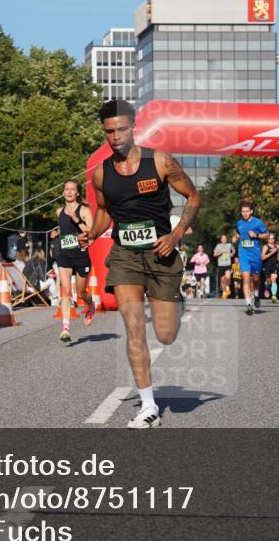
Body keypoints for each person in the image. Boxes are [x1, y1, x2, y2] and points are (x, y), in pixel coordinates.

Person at [80, 99, 201, 429]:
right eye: (109, 131)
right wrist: (91, 233)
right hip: (125, 255)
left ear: (133, 128)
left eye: (121, 129)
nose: (115, 136)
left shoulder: (160, 162)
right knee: (132, 322)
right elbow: (104, 212)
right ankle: (148, 405)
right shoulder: (101, 172)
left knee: (165, 335)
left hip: (161, 253)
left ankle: (176, 304)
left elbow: (193, 197)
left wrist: (175, 236)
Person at [51, 179, 95, 342]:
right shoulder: (58, 211)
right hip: (64, 255)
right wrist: (57, 233)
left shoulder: (84, 210)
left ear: (78, 193)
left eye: (72, 189)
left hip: (81, 255)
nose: (69, 192)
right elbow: (65, 230)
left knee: (81, 292)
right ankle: (65, 328)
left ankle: (90, 306)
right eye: (66, 189)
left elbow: (91, 232)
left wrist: (75, 218)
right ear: (63, 192)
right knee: (67, 292)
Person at [233, 201, 269, 315]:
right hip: (243, 255)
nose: (245, 213)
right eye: (243, 211)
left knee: (256, 279)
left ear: (251, 211)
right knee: (246, 278)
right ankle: (248, 304)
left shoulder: (258, 223)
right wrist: (235, 237)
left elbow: (267, 234)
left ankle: (257, 295)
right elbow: (238, 232)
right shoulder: (239, 223)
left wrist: (257, 235)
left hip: (255, 255)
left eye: (247, 211)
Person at [261, 233, 279, 303]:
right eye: (270, 238)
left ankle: (273, 295)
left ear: (274, 239)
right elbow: (262, 257)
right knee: (268, 281)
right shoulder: (265, 247)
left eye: (273, 238)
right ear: (268, 239)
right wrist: (270, 253)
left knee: (274, 279)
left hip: (274, 265)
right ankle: (267, 287)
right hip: (266, 266)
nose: (271, 240)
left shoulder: (277, 246)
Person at [213, 234, 233, 298]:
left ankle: (227, 287)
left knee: (228, 277)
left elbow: (234, 251)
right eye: (223, 239)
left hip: (228, 264)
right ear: (221, 240)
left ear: (226, 239)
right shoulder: (218, 246)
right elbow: (214, 255)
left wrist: (232, 254)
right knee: (222, 280)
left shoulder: (229, 245)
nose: (224, 240)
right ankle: (224, 292)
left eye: (225, 238)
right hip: (221, 264)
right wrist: (220, 253)